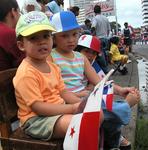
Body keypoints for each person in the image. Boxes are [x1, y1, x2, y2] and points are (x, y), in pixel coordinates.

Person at [49, 12, 140, 148]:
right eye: (64, 35)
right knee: (105, 109)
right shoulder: (51, 57)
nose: (71, 40)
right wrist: (78, 95)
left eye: (74, 34)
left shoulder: (81, 57)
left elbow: (99, 81)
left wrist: (120, 90)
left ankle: (114, 140)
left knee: (106, 106)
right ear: (54, 38)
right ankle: (125, 108)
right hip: (67, 102)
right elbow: (53, 88)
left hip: (86, 98)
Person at [13, 11, 92, 140]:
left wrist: (82, 104)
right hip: (36, 120)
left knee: (95, 115)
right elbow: (39, 108)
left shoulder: (53, 67)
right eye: (33, 38)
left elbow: (64, 92)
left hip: (57, 112)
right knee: (82, 124)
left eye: (46, 36)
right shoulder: (26, 73)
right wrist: (72, 108)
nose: (42, 42)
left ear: (52, 38)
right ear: (21, 45)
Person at [0, 0, 25, 71]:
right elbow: (26, 61)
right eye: (19, 12)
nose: (20, 15)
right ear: (13, 12)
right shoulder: (9, 34)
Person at [91, 5, 111, 73]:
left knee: (100, 55)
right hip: (106, 38)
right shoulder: (105, 18)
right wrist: (106, 36)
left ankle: (105, 71)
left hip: (99, 39)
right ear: (100, 10)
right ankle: (105, 68)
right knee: (105, 54)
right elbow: (109, 30)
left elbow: (93, 27)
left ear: (94, 11)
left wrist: (92, 35)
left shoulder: (95, 18)